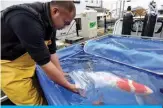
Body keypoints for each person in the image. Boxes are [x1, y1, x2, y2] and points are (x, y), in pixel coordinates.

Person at [1, 1, 79, 105]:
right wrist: (69, 86)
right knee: (34, 103)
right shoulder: (25, 19)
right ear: (55, 11)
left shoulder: (51, 22)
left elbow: (52, 52)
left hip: (29, 63)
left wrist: (61, 73)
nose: (65, 27)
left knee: (45, 93)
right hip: (10, 67)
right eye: (66, 22)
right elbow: (45, 62)